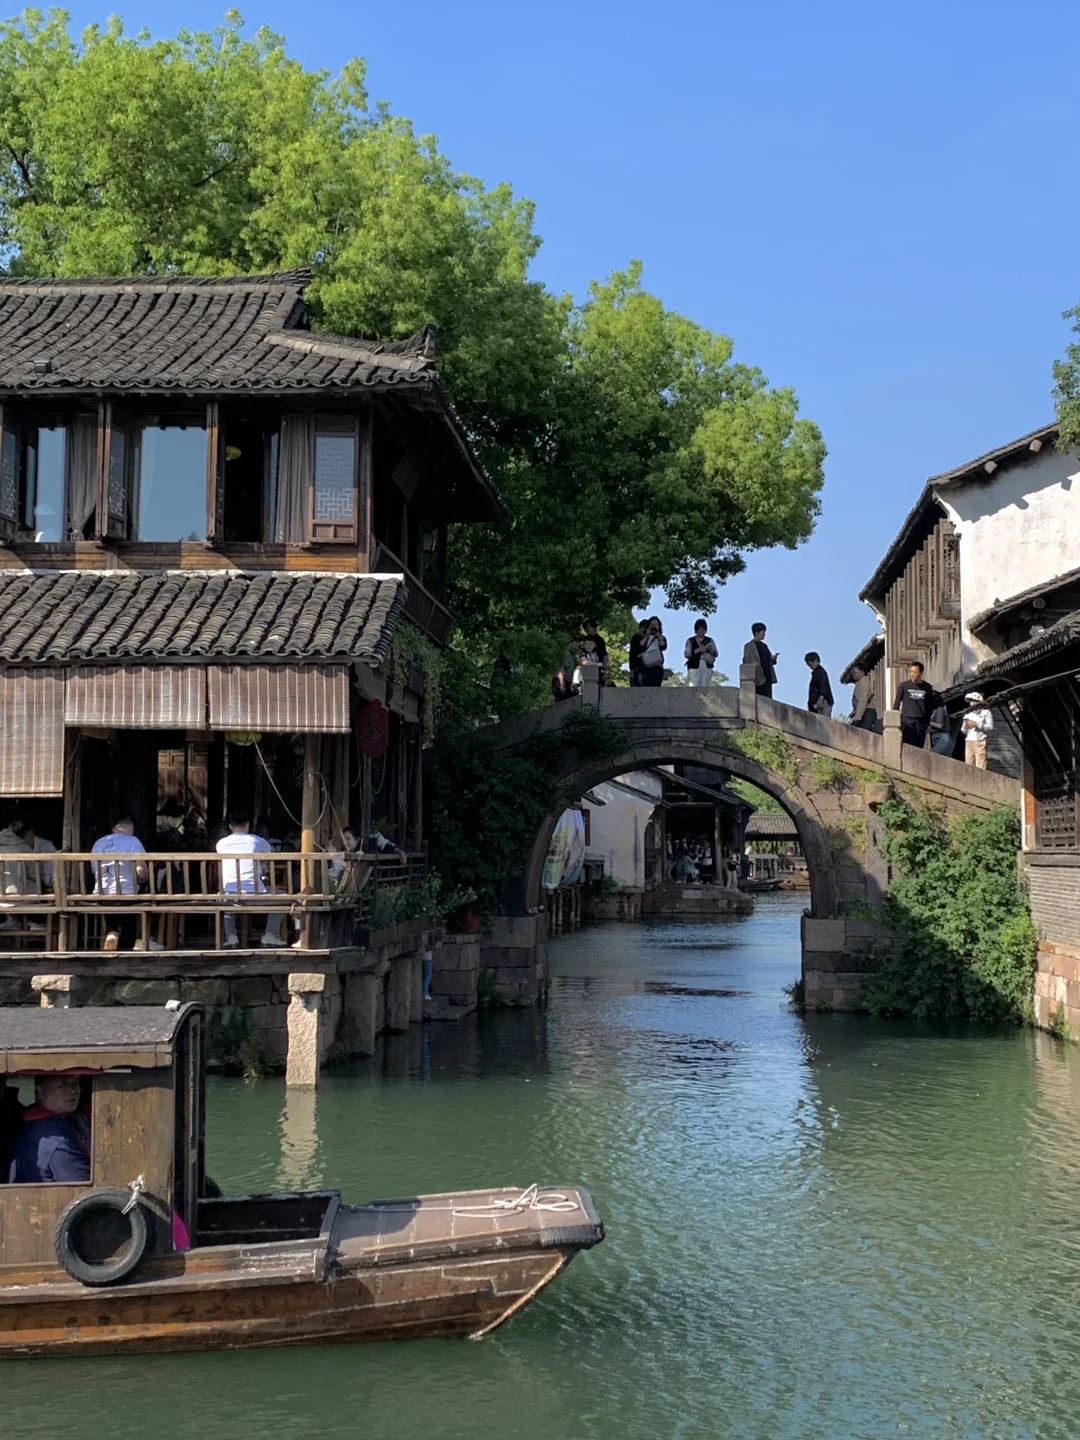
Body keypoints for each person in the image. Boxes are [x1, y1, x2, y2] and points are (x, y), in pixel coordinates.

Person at [216, 810, 285, 949]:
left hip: (230, 894)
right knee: (283, 898)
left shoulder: (221, 844)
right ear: (247, 825)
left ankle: (231, 937)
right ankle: (270, 934)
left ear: (230, 826)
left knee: (223, 897)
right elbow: (269, 851)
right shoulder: (256, 841)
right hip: (255, 894)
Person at [8, 1074, 91, 1183]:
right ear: (40, 1092)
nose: (73, 1090)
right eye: (63, 1084)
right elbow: (89, 1187)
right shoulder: (54, 1139)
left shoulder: (68, 1119)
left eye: (76, 1082)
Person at [91, 817, 148, 951]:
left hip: (101, 894)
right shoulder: (133, 841)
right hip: (127, 895)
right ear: (130, 829)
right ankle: (130, 941)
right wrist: (146, 878)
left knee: (113, 903)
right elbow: (140, 870)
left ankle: (112, 932)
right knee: (135, 895)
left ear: (114, 829)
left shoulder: (98, 843)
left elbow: (94, 871)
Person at [893, 662, 936, 749]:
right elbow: (896, 704)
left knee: (919, 747)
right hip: (907, 720)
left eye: (915, 672)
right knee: (908, 745)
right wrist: (896, 721)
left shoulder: (927, 687)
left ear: (921, 673)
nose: (912, 674)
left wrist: (928, 723)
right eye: (911, 672)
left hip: (921, 721)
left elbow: (929, 707)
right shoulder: (904, 686)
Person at [742, 624, 778, 698]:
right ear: (756, 633)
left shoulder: (764, 646)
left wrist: (773, 658)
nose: (764, 634)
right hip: (758, 675)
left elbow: (769, 658)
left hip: (767, 675)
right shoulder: (749, 646)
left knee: (768, 697)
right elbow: (746, 660)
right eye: (763, 632)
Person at [961, 692, 994, 769]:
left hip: (980, 740)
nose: (972, 703)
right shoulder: (968, 714)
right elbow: (963, 730)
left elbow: (990, 727)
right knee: (968, 765)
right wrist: (966, 726)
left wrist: (977, 724)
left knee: (980, 765)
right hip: (969, 741)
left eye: (973, 700)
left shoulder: (986, 712)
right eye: (970, 701)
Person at [684, 620, 719, 687]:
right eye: (699, 628)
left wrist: (709, 649)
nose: (701, 630)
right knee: (694, 685)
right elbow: (687, 654)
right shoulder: (690, 640)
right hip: (694, 665)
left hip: (707, 664)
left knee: (704, 685)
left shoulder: (710, 640)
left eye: (703, 628)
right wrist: (699, 650)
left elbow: (716, 654)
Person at [638, 617, 667, 687]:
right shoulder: (643, 637)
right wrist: (646, 635)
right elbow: (641, 645)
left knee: (656, 686)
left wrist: (658, 636)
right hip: (644, 665)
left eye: (656, 624)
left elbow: (663, 646)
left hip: (657, 665)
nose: (654, 626)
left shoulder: (662, 637)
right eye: (652, 624)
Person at [804, 653, 834, 717]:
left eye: (810, 664)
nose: (809, 666)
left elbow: (824, 687)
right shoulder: (816, 673)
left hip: (823, 702)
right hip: (816, 703)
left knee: (823, 720)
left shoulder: (821, 672)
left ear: (815, 661)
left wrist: (819, 701)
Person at [849, 665, 877, 731]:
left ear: (862, 672)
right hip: (862, 712)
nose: (853, 674)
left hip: (867, 712)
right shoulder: (859, 683)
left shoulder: (864, 682)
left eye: (854, 672)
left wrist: (858, 717)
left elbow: (863, 700)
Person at [628, 619, 649, 687]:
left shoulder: (650, 638)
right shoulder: (635, 638)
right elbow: (632, 654)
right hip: (637, 665)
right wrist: (631, 668)